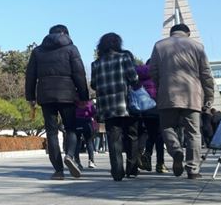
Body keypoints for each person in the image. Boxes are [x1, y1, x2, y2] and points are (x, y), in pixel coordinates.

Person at [149, 23, 214, 180]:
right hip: (192, 95)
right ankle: (193, 169)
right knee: (193, 133)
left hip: (167, 94)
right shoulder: (197, 46)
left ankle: (176, 150)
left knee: (167, 127)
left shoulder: (159, 46)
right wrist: (209, 96)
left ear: (171, 33)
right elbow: (206, 73)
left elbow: (153, 71)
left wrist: (161, 86)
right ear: (188, 33)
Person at [25, 24, 90, 180]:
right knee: (71, 128)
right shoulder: (71, 49)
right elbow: (79, 73)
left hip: (45, 95)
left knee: (52, 132)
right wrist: (84, 96)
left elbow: (30, 75)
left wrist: (30, 97)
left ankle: (58, 171)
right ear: (65, 34)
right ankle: (70, 156)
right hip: (67, 94)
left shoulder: (38, 51)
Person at [90, 33, 141, 181]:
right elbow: (134, 78)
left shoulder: (96, 64)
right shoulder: (124, 58)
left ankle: (117, 171)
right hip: (126, 105)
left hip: (107, 107)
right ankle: (132, 169)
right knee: (132, 136)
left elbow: (93, 84)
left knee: (114, 138)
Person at [135, 62, 168, 174]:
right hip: (158, 107)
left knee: (151, 134)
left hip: (145, 110)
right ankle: (160, 164)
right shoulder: (160, 76)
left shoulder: (141, 78)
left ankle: (147, 157)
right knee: (159, 136)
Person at [74, 100, 97, 169]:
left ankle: (77, 161)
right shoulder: (89, 103)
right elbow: (94, 114)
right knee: (89, 142)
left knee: (77, 142)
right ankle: (91, 161)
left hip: (77, 122)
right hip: (87, 123)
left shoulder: (75, 103)